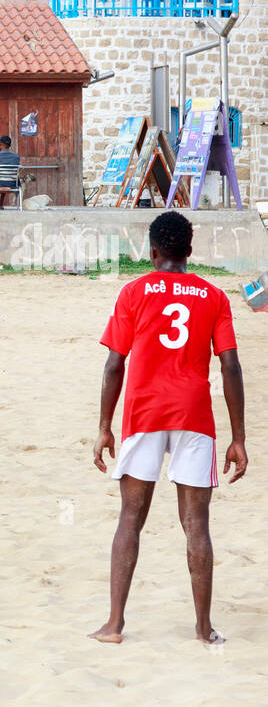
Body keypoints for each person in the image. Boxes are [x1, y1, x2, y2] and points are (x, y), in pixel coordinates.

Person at [90, 211, 247, 646]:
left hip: (144, 413)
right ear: (189, 252)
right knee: (197, 524)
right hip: (195, 413)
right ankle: (203, 629)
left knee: (130, 517)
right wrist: (239, 437)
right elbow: (230, 365)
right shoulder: (213, 296)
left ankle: (115, 625)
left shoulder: (134, 291)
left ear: (153, 251)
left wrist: (104, 426)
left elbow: (114, 364)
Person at [0, 135, 20, 210]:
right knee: (4, 177)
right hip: (13, 183)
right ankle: (0, 203)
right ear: (9, 145)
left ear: (1, 144)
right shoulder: (16, 157)